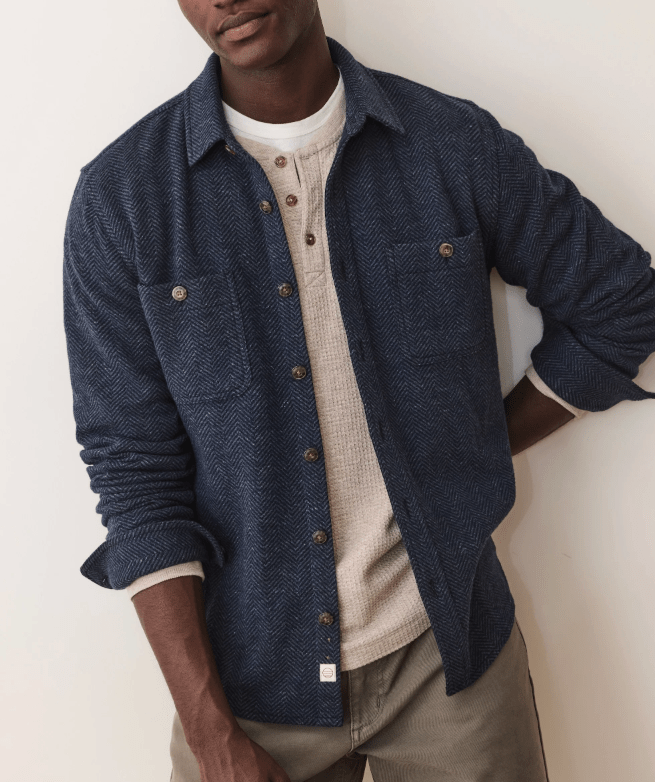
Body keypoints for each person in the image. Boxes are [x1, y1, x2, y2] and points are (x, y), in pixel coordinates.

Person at [62, 2, 655, 781]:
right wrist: (212, 735)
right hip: (249, 685)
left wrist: (464, 442)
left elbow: (622, 304)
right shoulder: (124, 199)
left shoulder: (449, 144)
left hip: (450, 656)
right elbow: (135, 475)